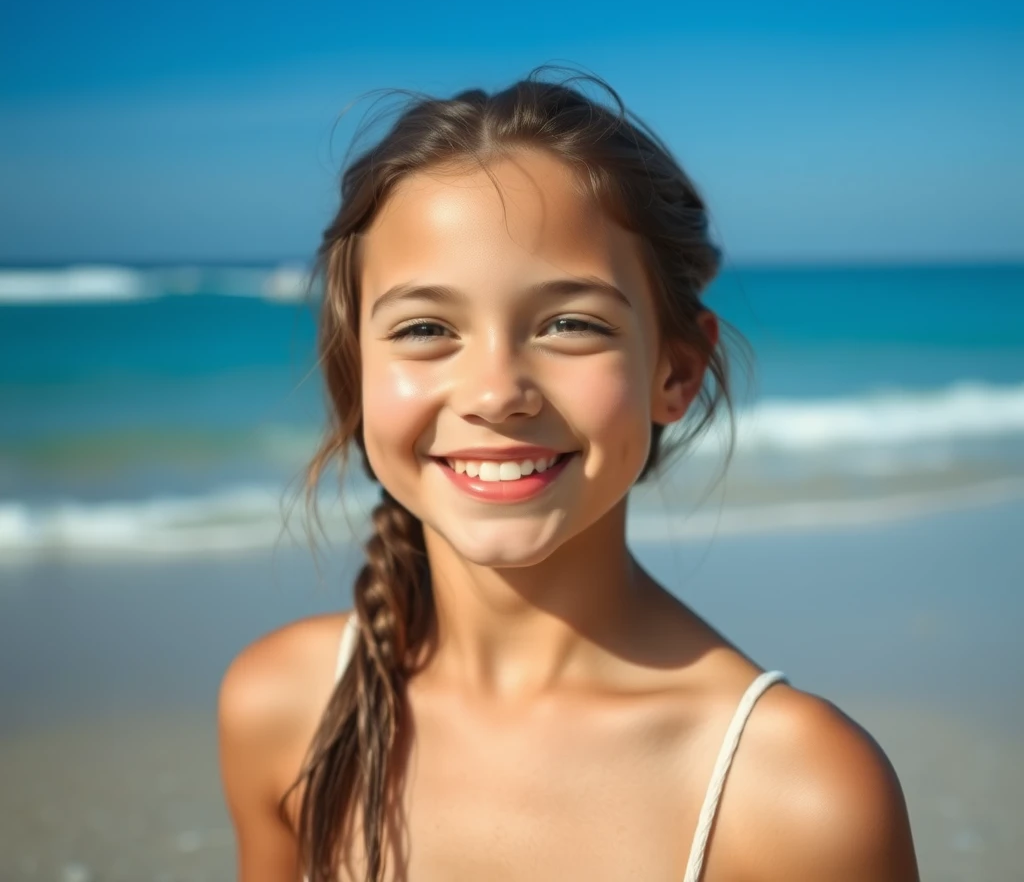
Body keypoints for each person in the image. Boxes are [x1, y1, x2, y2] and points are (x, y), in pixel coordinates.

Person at [218, 70, 920, 882]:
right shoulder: (285, 709)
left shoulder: (795, 795)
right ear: (356, 375)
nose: (495, 394)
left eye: (569, 324)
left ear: (677, 371)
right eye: (424, 328)